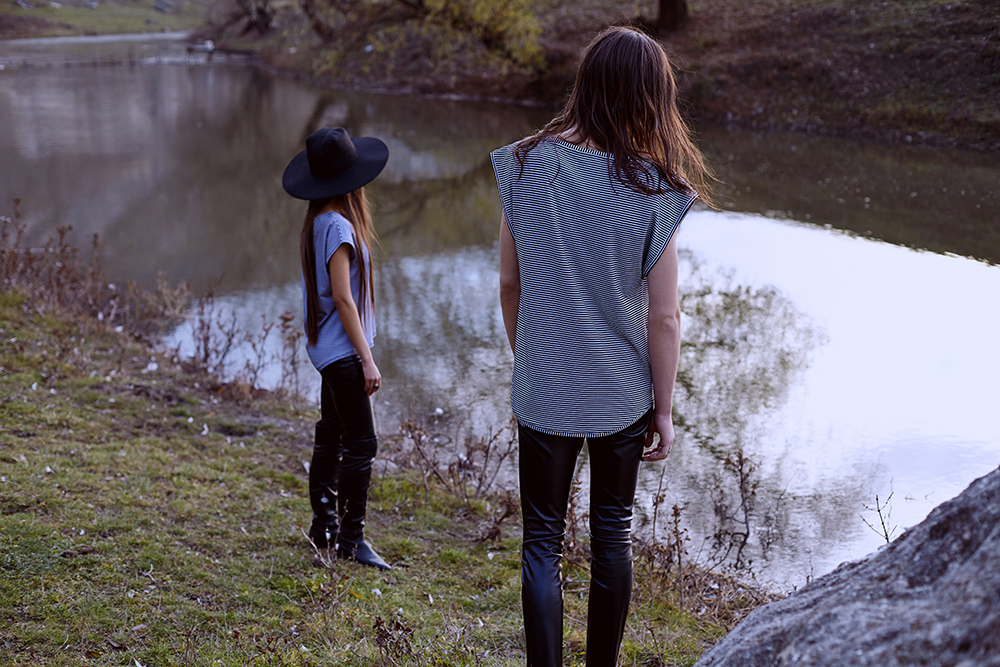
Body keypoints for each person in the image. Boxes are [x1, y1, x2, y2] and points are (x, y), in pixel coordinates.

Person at [490, 26, 714, 666]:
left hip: (546, 382)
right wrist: (663, 409)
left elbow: (510, 285)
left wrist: (532, 359)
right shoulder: (657, 188)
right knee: (613, 536)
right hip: (622, 387)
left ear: (586, 84)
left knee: (541, 541)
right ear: (651, 98)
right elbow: (664, 317)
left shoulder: (524, 163)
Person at [282, 126, 391, 570]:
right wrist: (367, 359)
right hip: (344, 354)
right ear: (352, 181)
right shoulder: (340, 226)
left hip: (326, 350)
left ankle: (323, 525)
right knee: (362, 443)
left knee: (330, 433)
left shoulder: (318, 222)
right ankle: (350, 538)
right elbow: (344, 299)